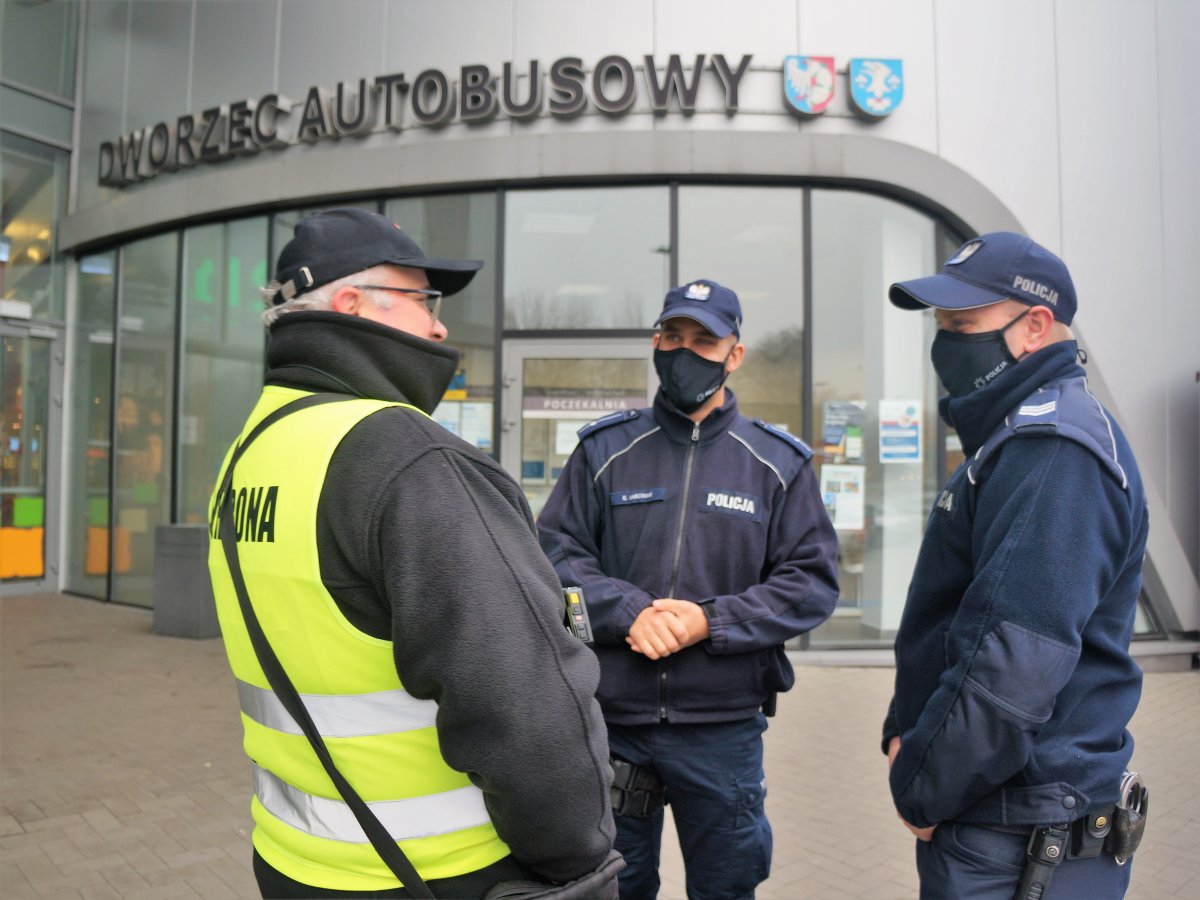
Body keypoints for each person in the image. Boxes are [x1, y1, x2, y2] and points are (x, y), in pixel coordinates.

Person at [206, 207, 620, 899]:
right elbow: (524, 706)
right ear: (349, 304)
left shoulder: (251, 450)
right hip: (446, 872)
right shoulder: (408, 457)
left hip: (295, 862)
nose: (439, 326)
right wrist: (582, 858)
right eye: (423, 299)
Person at [537, 279, 840, 900]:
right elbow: (553, 554)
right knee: (614, 888)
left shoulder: (777, 463)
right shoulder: (604, 451)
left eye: (705, 340)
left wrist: (712, 622)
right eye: (672, 337)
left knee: (726, 886)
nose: (685, 352)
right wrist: (629, 613)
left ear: (736, 354)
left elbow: (809, 581)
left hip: (722, 730)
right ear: (655, 342)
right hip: (613, 722)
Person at [882, 232, 1149, 899]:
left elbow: (1012, 665)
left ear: (1034, 327)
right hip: (1004, 821)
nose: (945, 345)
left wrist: (923, 785)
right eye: (940, 327)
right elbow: (956, 616)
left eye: (962, 326)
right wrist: (906, 731)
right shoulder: (1011, 441)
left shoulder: (1053, 449)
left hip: (1021, 840)